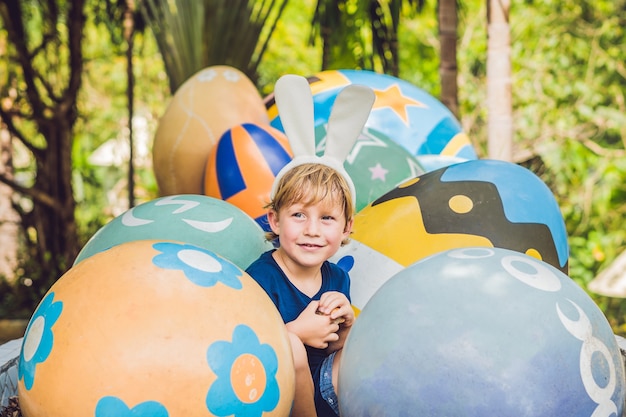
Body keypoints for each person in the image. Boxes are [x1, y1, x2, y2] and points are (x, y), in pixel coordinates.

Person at [246, 162, 355, 417]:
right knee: (292, 346)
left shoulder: (338, 278)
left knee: (369, 341)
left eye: (327, 218)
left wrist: (347, 329)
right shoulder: (260, 279)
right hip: (276, 397)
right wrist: (296, 333)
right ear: (275, 220)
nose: (312, 230)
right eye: (298, 215)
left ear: (346, 228)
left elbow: (332, 350)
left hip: (324, 389)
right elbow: (250, 352)